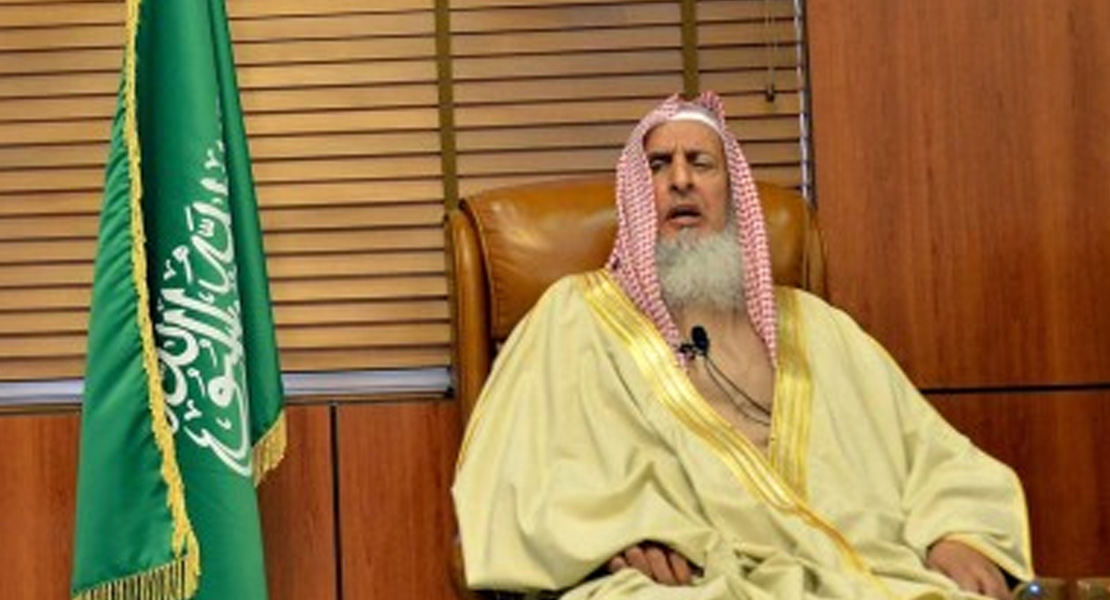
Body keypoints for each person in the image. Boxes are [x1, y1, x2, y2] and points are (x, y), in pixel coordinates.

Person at [452, 92, 1033, 599]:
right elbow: (512, 475)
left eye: (701, 163)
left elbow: (932, 452)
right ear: (635, 195)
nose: (681, 179)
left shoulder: (816, 326)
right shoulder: (575, 315)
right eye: (659, 165)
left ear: (733, 195)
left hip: (862, 567)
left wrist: (957, 532)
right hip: (689, 579)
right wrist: (612, 535)